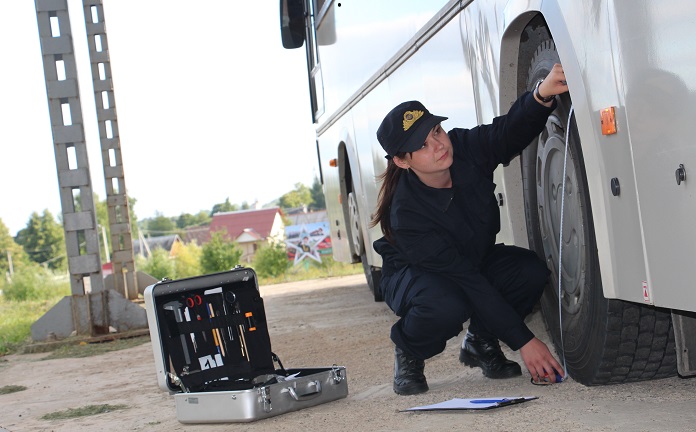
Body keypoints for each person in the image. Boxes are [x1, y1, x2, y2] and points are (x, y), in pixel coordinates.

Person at [370, 64, 568, 395]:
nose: (438, 145)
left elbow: (506, 132)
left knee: (528, 271)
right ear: (402, 161)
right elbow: (467, 281)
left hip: (469, 260)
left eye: (436, 131)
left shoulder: (463, 147)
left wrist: (541, 96)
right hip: (414, 275)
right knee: (447, 303)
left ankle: (480, 341)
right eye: (422, 145)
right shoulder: (406, 215)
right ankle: (409, 349)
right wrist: (524, 341)